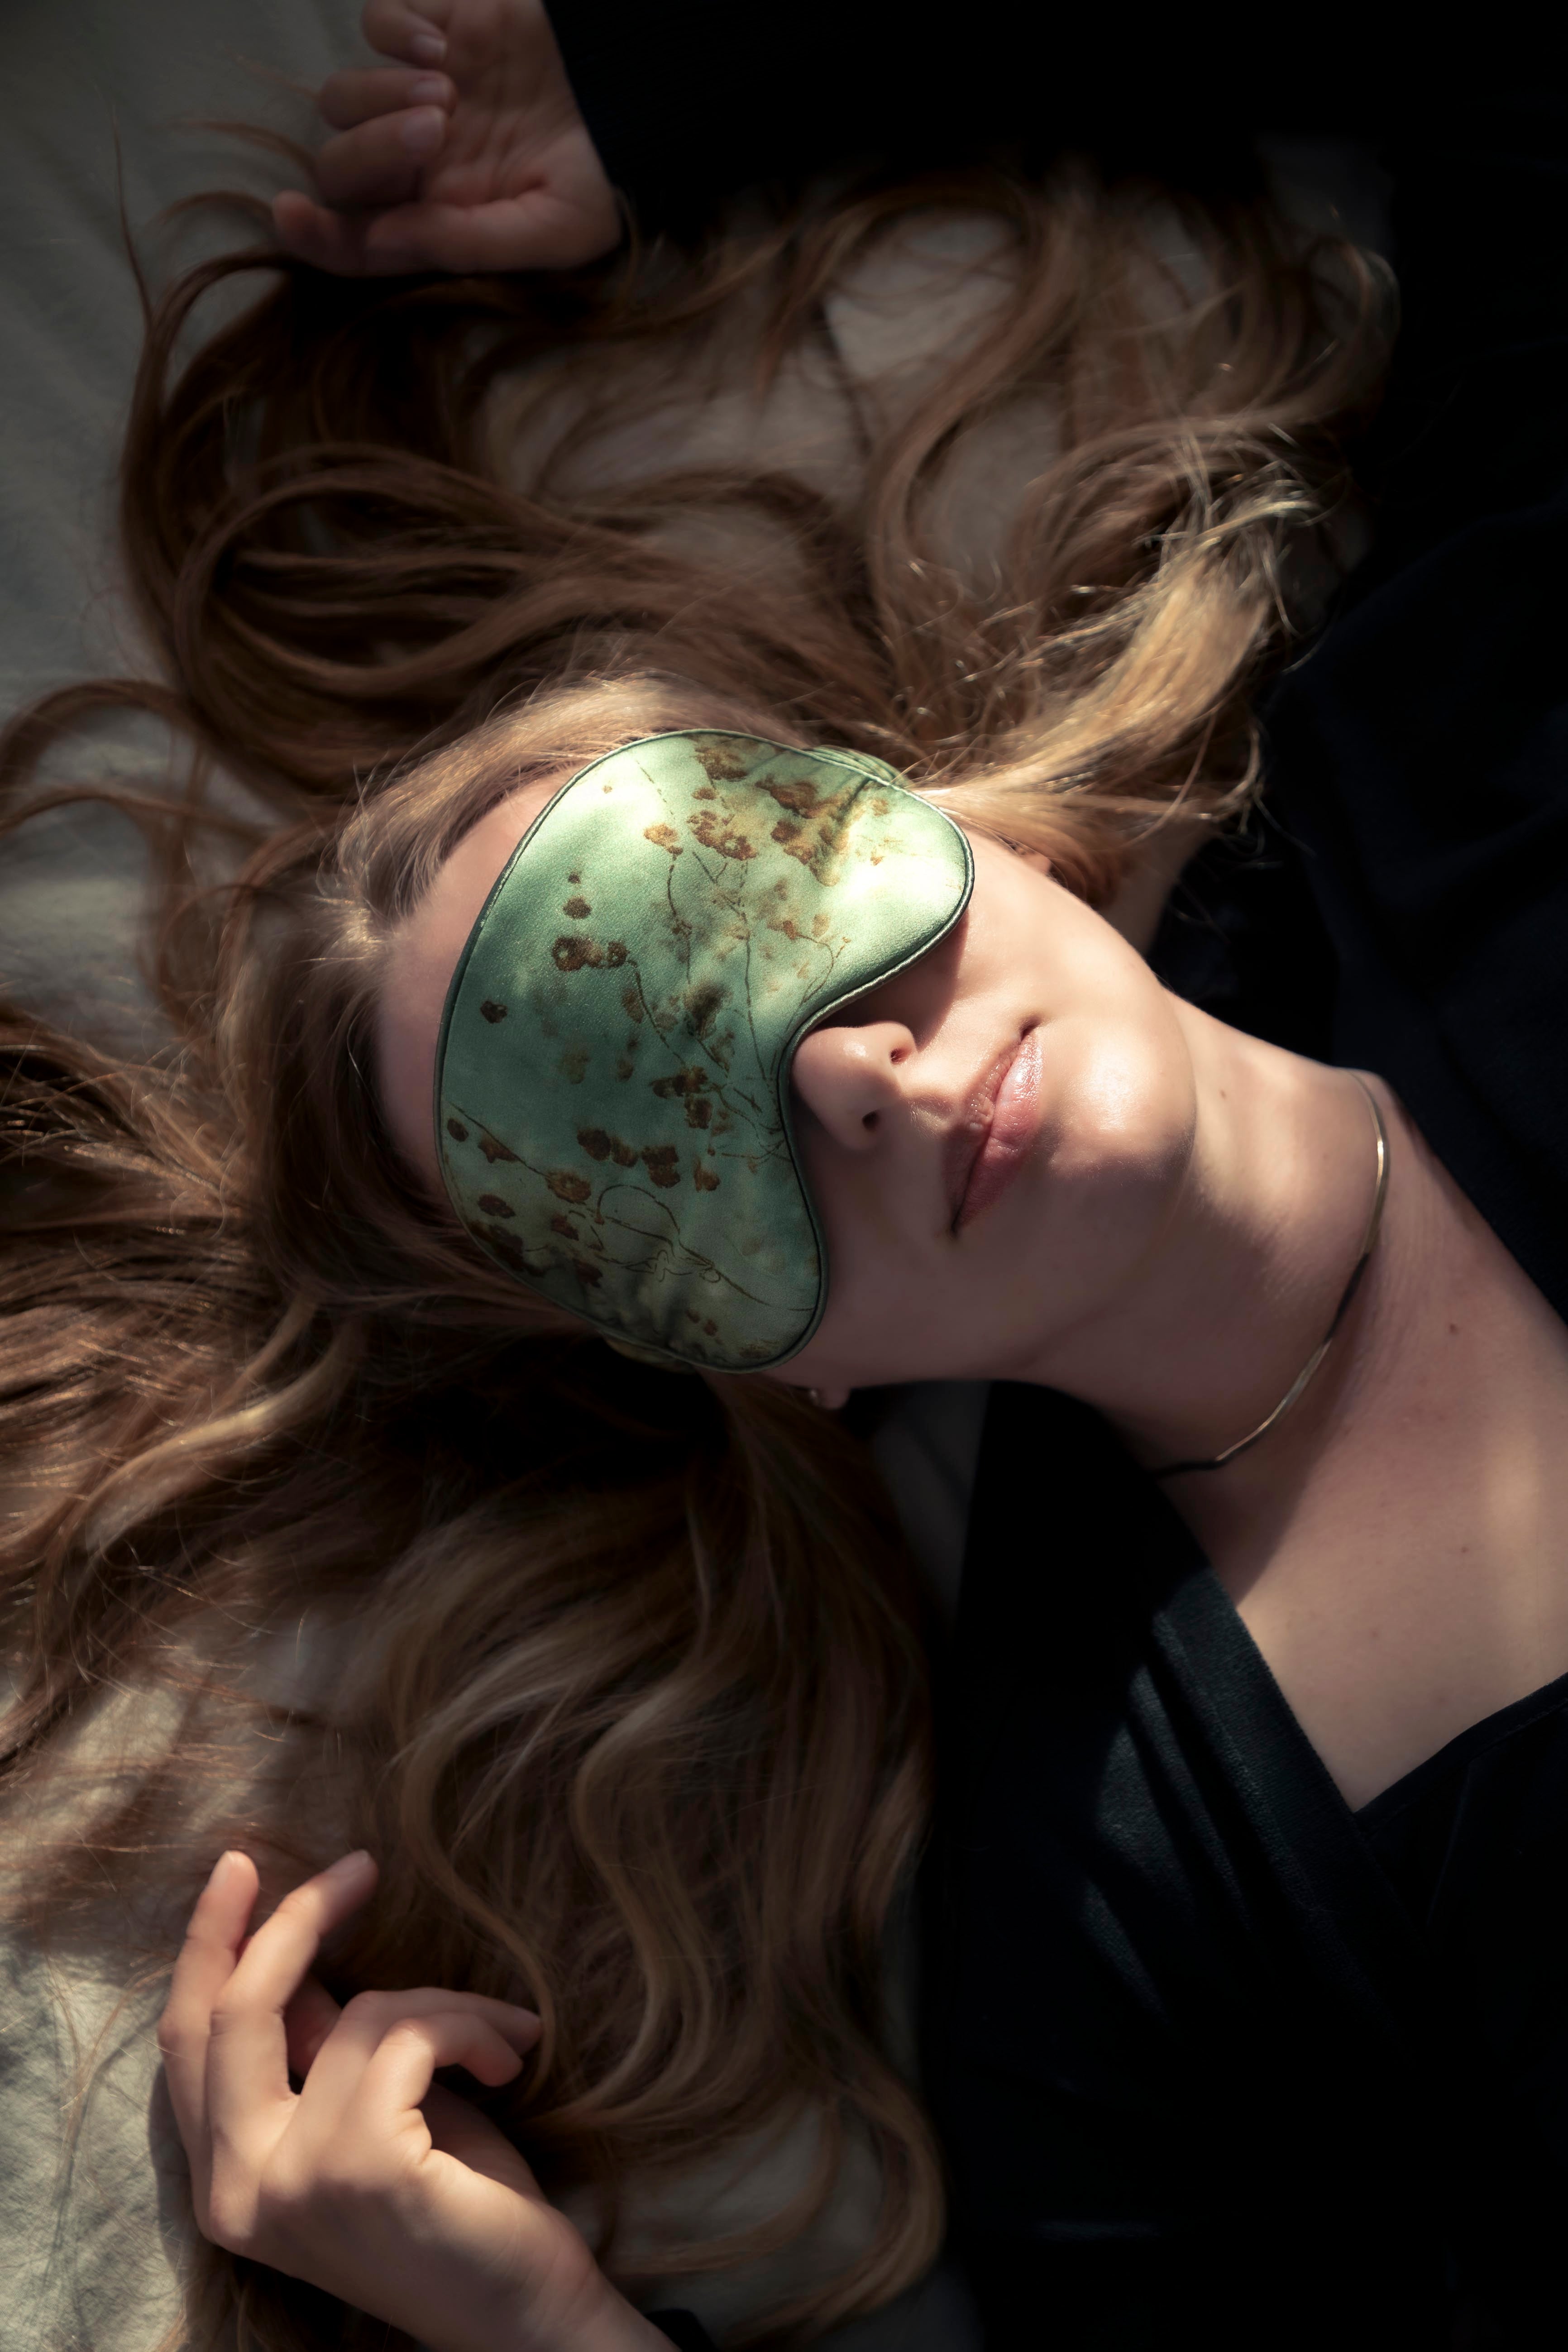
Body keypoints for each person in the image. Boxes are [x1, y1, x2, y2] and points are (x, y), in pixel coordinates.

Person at [4, 5, 1562, 2349]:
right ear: (760, 1371)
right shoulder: (1126, 1919)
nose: (850, 1087)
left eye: (745, 911)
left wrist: (663, 74)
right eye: (662, 1151)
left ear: (948, 809)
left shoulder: (1477, 693)